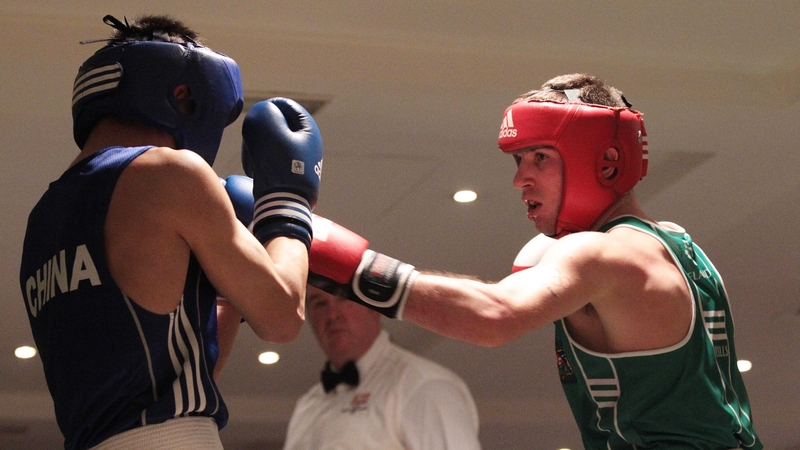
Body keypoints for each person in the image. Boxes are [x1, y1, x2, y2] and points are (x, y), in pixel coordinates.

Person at [305, 74, 762, 449]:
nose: (520, 179)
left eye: (540, 158)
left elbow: (493, 316)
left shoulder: (598, 252)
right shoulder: (679, 246)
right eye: (519, 160)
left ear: (605, 161)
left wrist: (334, 257)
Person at [18, 14, 322, 450]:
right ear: (183, 93)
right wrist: (288, 206)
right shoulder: (168, 172)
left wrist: (229, 282)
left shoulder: (43, 218)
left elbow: (166, 371)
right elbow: (282, 317)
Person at [283, 284, 481, 450]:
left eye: (343, 298)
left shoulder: (425, 385)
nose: (332, 314)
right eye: (319, 304)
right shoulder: (307, 405)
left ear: (373, 306)